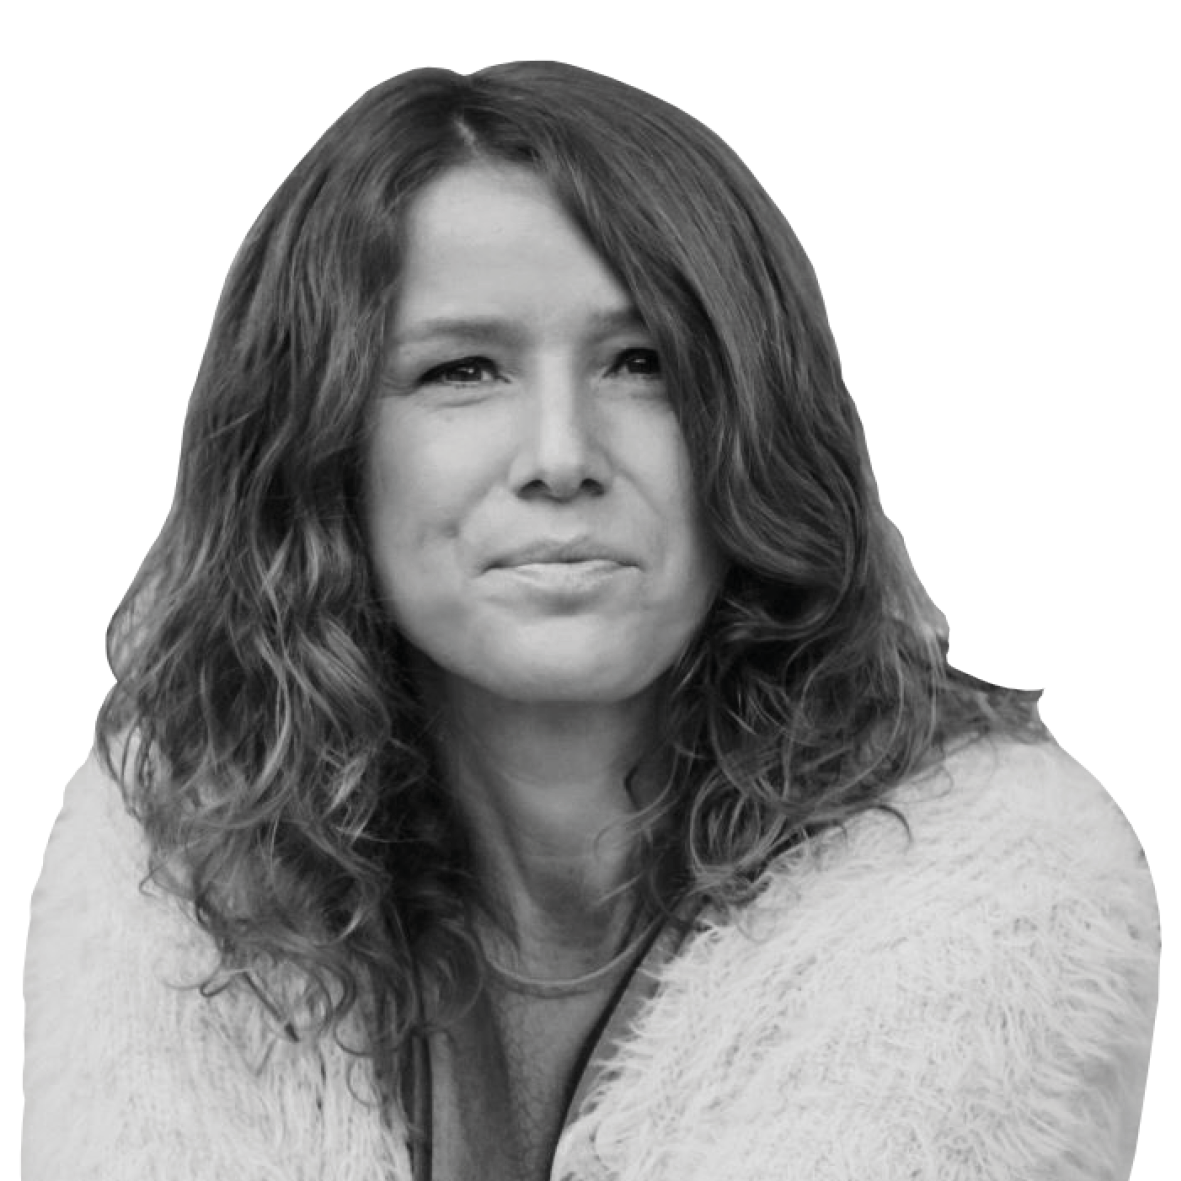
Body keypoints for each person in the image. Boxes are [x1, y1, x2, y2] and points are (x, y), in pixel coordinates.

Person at [23, 61, 1158, 1181]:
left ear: (750, 421)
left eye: (641, 365)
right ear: (320, 443)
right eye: (462, 369)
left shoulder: (989, 893)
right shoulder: (179, 867)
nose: (561, 456)